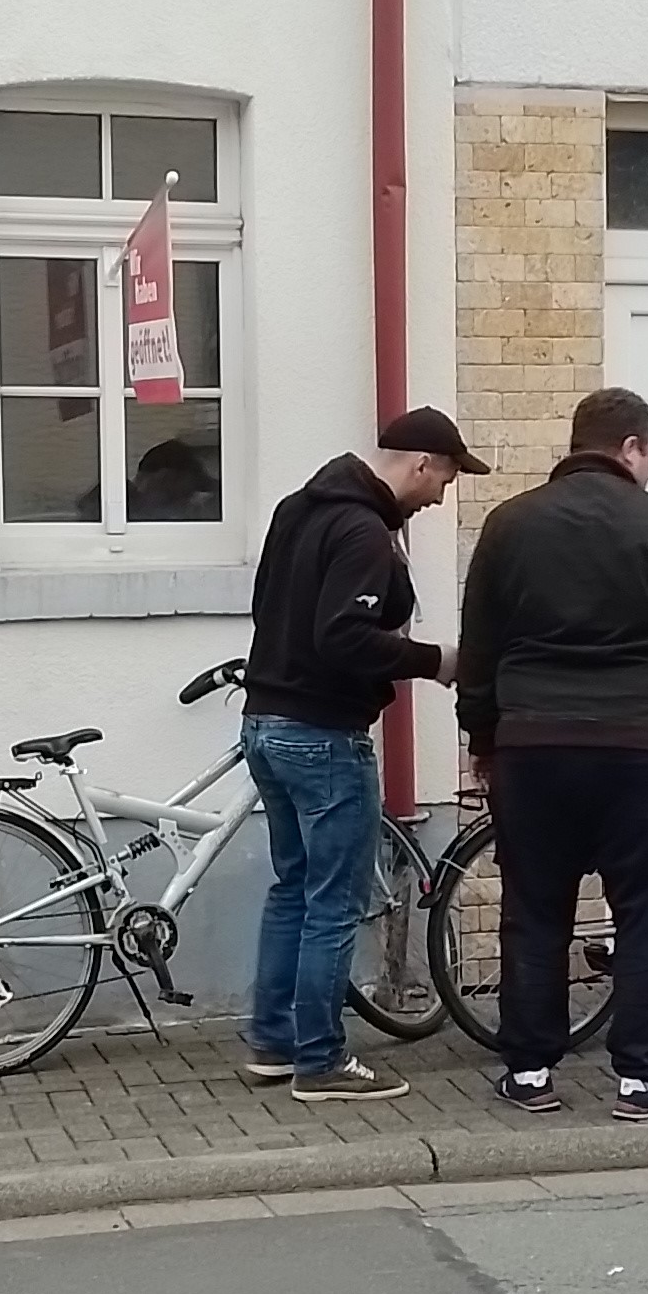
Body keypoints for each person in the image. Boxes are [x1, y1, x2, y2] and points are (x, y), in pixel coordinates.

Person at [457, 387, 648, 1121]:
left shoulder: (508, 524)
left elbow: (482, 647)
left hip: (533, 747)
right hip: (638, 748)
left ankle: (528, 1071)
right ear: (629, 447)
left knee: (534, 909)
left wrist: (482, 739)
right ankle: (646, 1079)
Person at [235, 405, 483, 1103]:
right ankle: (320, 1062)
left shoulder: (297, 510)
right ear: (420, 464)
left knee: (291, 890)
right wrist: (435, 660)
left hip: (265, 723)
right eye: (445, 479)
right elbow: (342, 636)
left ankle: (272, 1046)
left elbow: (266, 609)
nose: (440, 497)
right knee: (332, 903)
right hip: (322, 735)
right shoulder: (364, 533)